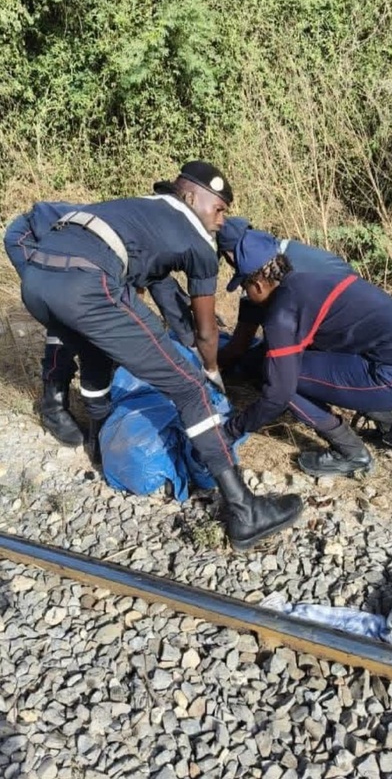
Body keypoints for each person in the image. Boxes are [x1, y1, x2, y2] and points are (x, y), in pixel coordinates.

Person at [18, 161, 302, 552]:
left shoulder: (135, 207)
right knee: (188, 388)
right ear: (188, 196)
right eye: (218, 208)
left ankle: (99, 445)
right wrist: (211, 374)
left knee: (97, 358)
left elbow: (161, 292)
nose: (221, 220)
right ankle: (244, 509)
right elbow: (205, 332)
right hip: (88, 282)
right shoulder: (199, 243)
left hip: (37, 279)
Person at [5, 201, 196, 447]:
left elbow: (168, 299)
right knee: (65, 318)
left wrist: (191, 347)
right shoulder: (130, 241)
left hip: (75, 255)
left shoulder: (144, 247)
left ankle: (98, 404)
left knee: (95, 323)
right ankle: (53, 403)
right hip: (29, 237)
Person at [222, 231, 392, 478]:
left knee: (280, 378)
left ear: (257, 285)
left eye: (244, 287)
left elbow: (278, 394)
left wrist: (231, 430)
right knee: (293, 364)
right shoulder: (311, 281)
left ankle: (351, 454)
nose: (247, 295)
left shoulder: (282, 313)